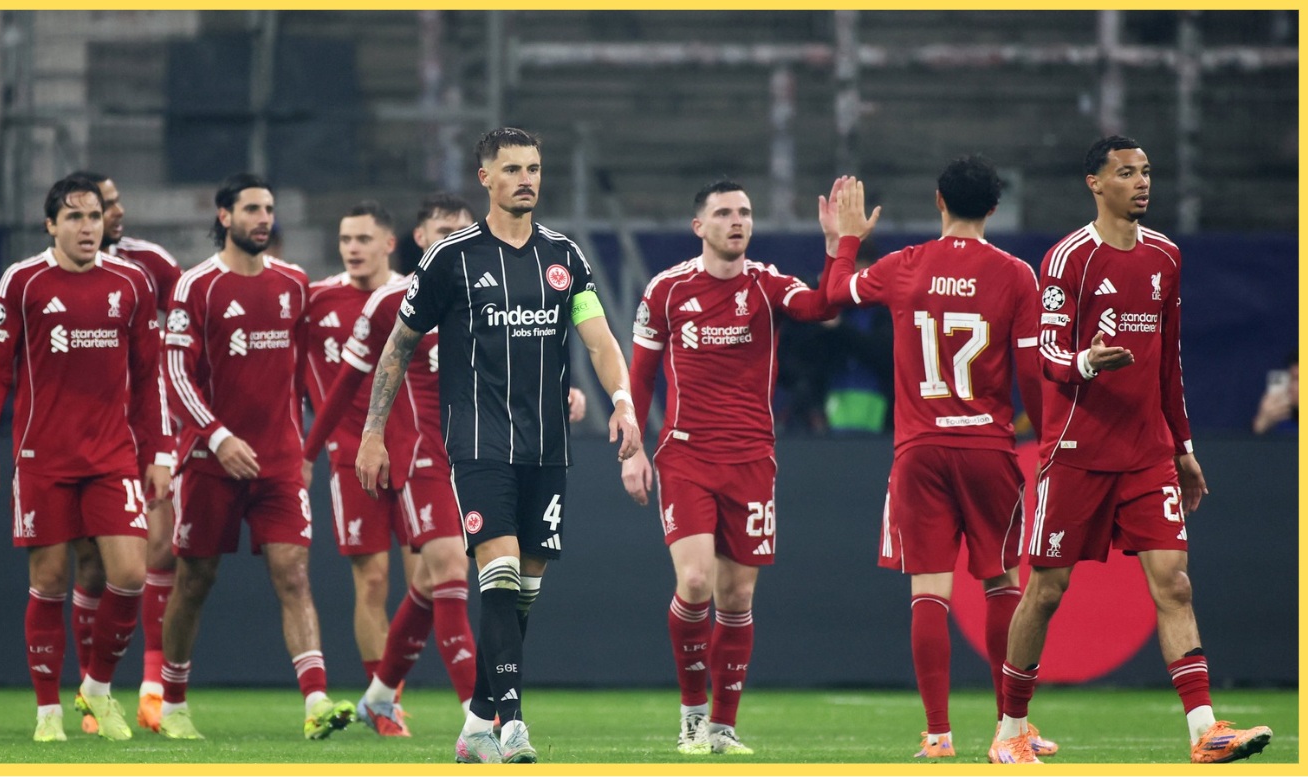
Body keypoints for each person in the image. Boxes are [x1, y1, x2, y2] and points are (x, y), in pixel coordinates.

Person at [355, 128, 640, 764]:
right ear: (485, 178)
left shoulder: (564, 255)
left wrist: (622, 402)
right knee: (501, 574)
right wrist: (373, 431)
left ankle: (479, 719)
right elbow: (400, 345)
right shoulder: (450, 257)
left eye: (533, 168)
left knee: (523, 592)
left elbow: (597, 340)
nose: (526, 179)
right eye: (512, 169)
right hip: (478, 441)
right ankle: (512, 726)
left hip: (547, 445)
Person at [990, 136, 1273, 765]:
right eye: (1126, 172)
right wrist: (1086, 361)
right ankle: (1011, 729)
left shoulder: (1166, 257)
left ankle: (1204, 730)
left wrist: (1183, 446)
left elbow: (1167, 360)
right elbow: (1045, 354)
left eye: (1146, 171)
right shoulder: (1068, 259)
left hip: (1146, 453)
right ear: (1094, 183)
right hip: (1076, 448)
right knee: (1046, 591)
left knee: (1174, 584)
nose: (1142, 182)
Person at [819, 159, 1056, 759]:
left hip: (919, 451)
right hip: (988, 449)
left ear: (938, 201)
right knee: (1002, 584)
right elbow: (1031, 373)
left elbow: (833, 294)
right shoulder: (1016, 275)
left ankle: (938, 736)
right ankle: (1011, 730)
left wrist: (846, 242)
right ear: (994, 210)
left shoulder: (906, 266)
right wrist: (1049, 440)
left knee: (930, 591)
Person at [620, 178, 848, 756]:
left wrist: (837, 247)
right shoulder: (666, 290)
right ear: (700, 226)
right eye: (723, 213)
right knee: (694, 582)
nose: (736, 221)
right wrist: (632, 448)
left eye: (744, 212)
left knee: (737, 599)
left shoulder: (768, 285)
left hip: (752, 458)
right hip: (686, 452)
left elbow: (824, 306)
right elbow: (640, 374)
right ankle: (692, 717)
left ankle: (722, 728)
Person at [0, 174, 171, 742]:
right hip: (42, 457)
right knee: (50, 580)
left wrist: (159, 451)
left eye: (95, 216)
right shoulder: (23, 280)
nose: (89, 227)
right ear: (51, 224)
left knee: (131, 574)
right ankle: (47, 715)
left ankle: (98, 690)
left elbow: (150, 375)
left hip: (112, 455)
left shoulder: (131, 282)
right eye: (76, 217)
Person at [159, 173, 355, 741]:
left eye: (268, 209)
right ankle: (172, 703)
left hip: (278, 461)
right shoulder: (197, 286)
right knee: (194, 580)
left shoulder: (294, 283)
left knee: (293, 575)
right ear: (225, 217)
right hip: (209, 461)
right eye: (251, 209)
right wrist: (217, 435)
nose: (263, 218)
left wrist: (315, 438)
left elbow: (312, 366)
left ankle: (316, 703)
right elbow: (175, 373)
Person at [69, 170, 183, 734]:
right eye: (100, 207)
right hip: (90, 433)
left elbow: (182, 338)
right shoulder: (46, 277)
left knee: (159, 550)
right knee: (91, 564)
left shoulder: (153, 266)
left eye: (112, 204)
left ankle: (152, 687)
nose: (114, 214)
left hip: (150, 428)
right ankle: (94, 689)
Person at [301, 201, 406, 692]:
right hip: (348, 457)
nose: (353, 249)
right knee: (373, 580)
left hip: (414, 452)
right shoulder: (316, 299)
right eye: (345, 240)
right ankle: (386, 701)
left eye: (363, 239)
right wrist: (306, 446)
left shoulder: (413, 296)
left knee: (430, 581)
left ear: (388, 243)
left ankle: (393, 690)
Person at [1251, 351, 1297, 434]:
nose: (1290, 386)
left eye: (1297, 379)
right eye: (1290, 378)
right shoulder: (1282, 424)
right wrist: (1261, 425)